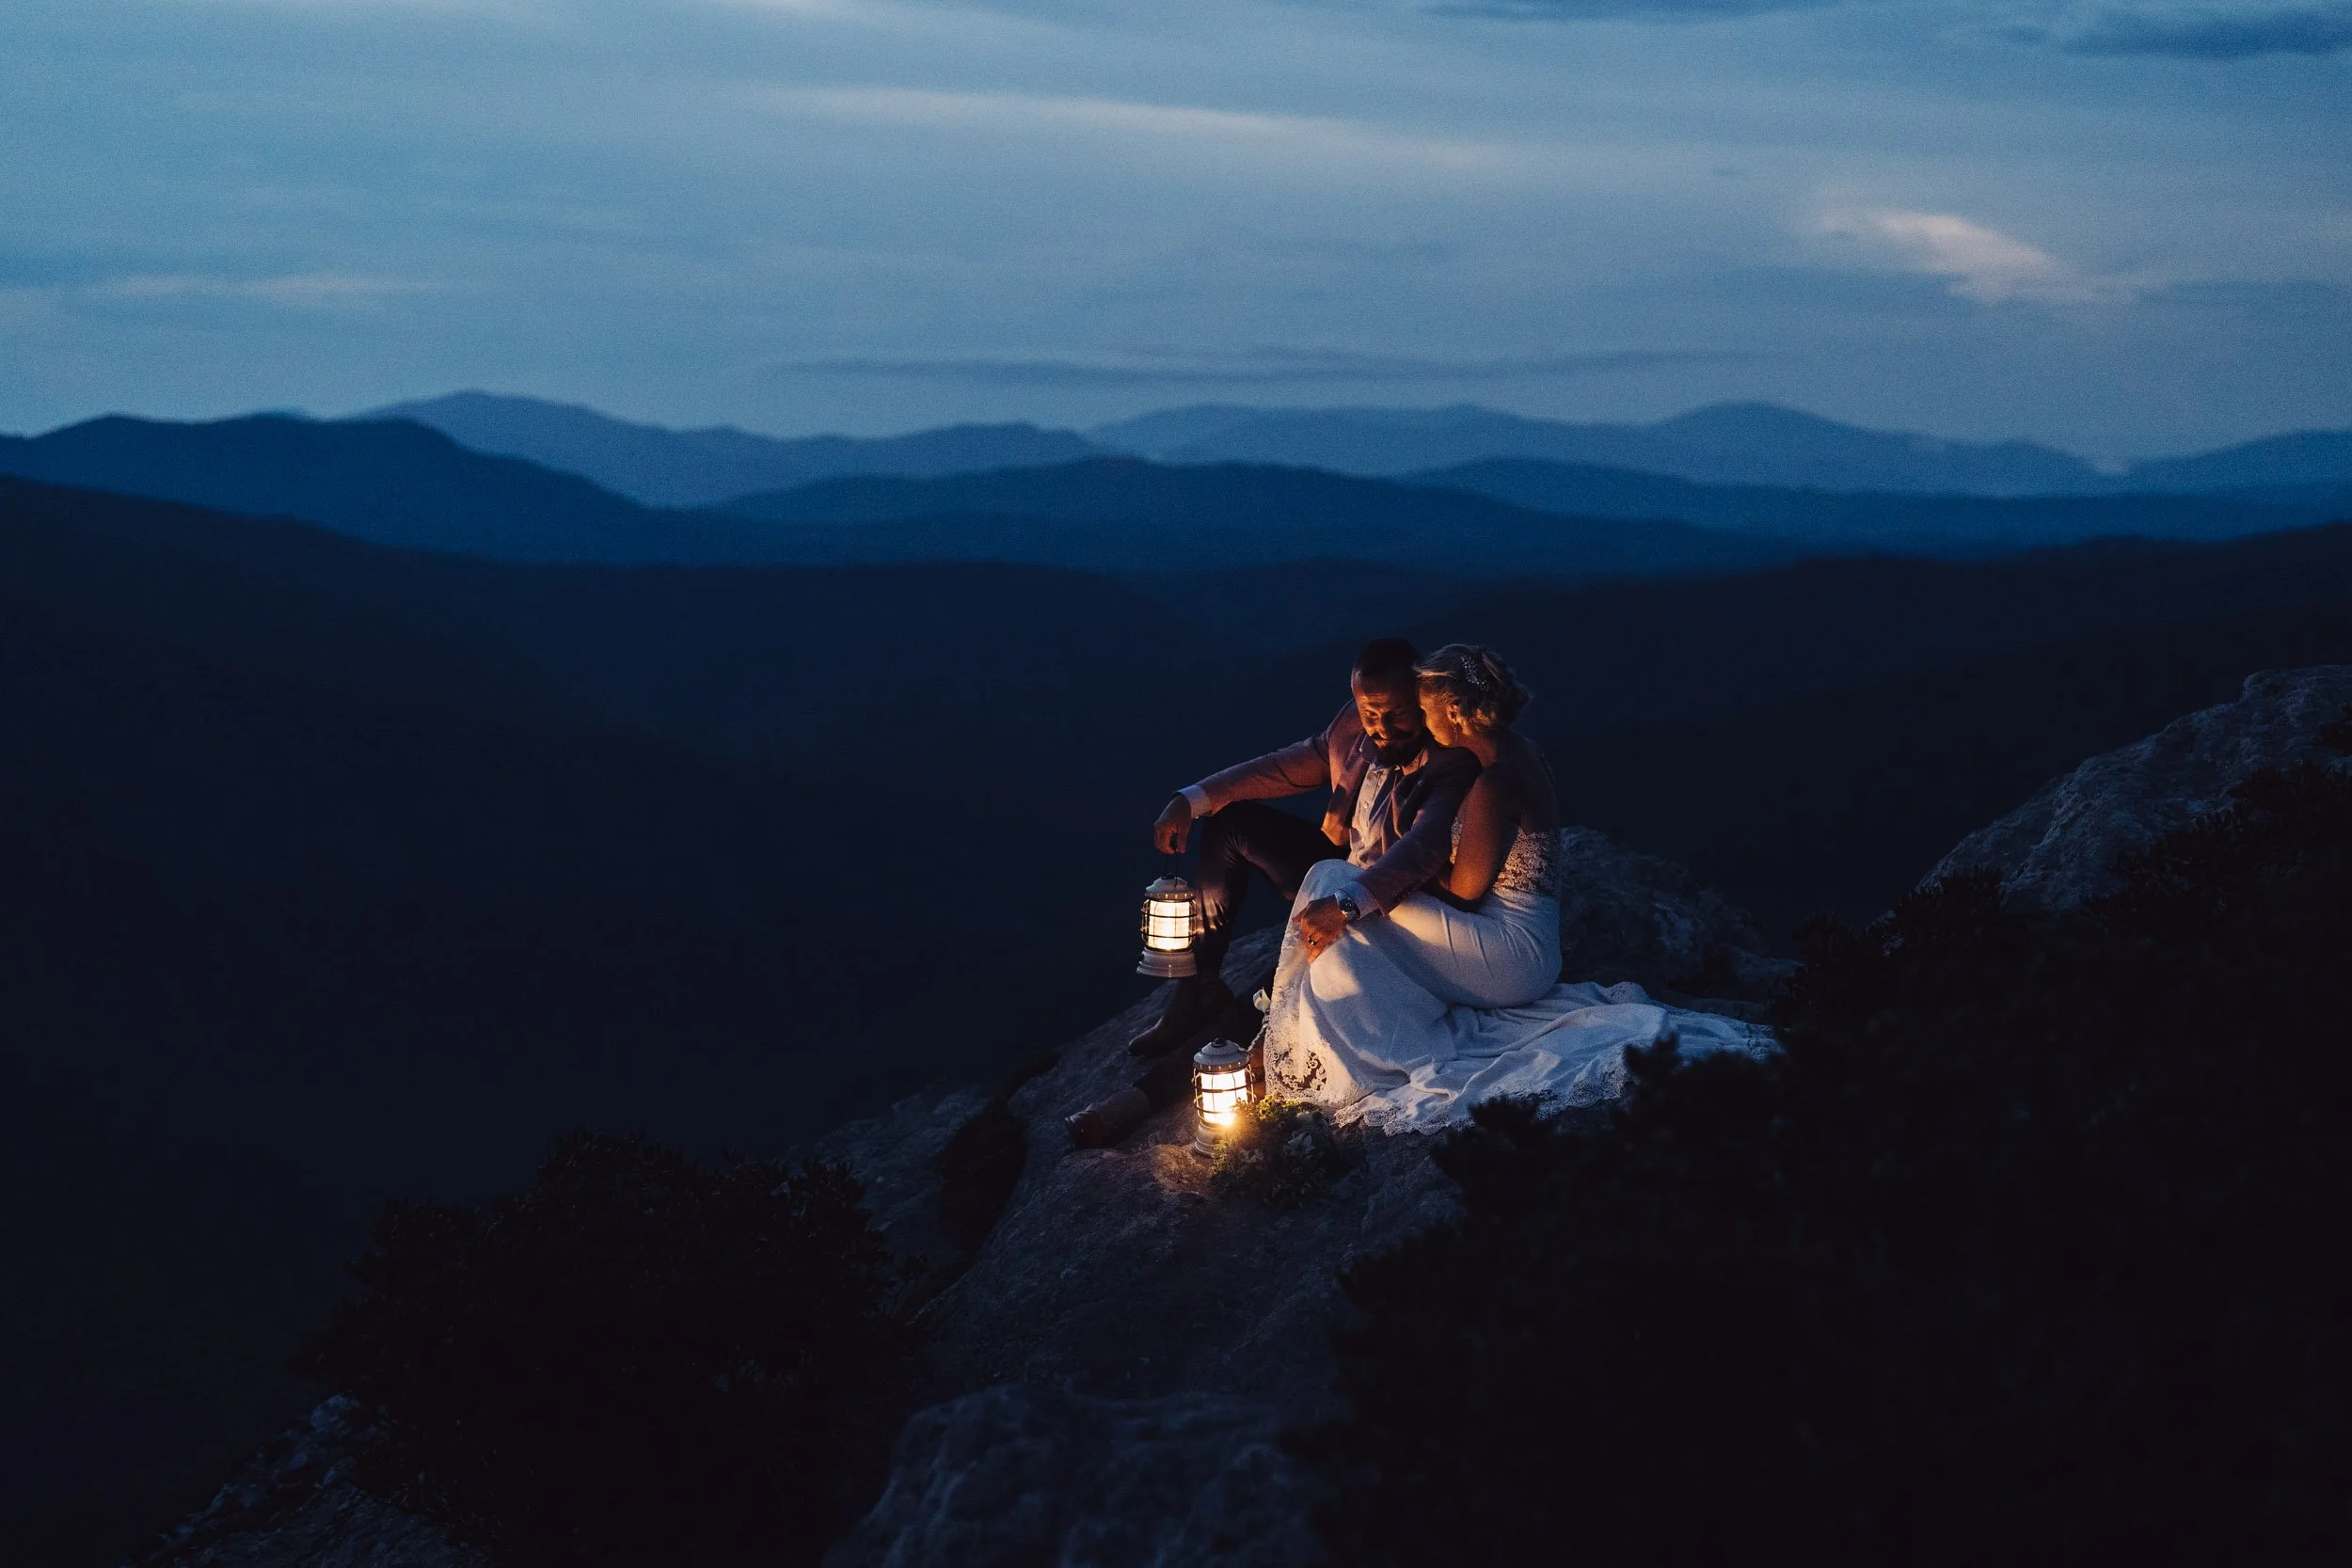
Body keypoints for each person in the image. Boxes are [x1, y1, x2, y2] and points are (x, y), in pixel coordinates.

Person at [1260, 644, 1767, 1131]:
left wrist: (1379, 886)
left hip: (1509, 955)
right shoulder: (1521, 754)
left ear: (1455, 712)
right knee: (1349, 891)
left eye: (1427, 709)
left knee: (1336, 882)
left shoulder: (1492, 783)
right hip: (1525, 942)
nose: (1424, 722)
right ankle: (1332, 1031)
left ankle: (1337, 1048)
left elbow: (1462, 892)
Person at [1064, 638, 1483, 1148]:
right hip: (1334, 870)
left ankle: (1139, 1098)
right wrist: (1189, 800)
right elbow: (1286, 765)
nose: (1381, 728)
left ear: (1421, 700)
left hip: (1388, 900)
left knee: (1274, 995)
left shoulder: (1451, 758)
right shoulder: (1354, 727)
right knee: (1231, 822)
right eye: (1370, 713)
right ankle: (1198, 985)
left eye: (1395, 715)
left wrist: (1345, 908)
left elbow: (1420, 851)